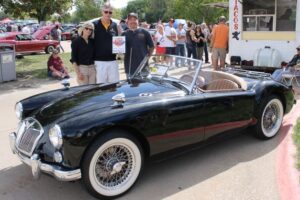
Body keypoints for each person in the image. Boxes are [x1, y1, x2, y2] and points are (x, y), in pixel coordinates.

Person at [93, 3, 122, 84]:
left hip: (113, 60)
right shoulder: (95, 24)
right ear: (102, 12)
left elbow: (119, 41)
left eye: (110, 12)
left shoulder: (115, 25)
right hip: (99, 61)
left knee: (114, 85)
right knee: (101, 87)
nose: (108, 14)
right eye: (106, 12)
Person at [122, 12, 154, 78]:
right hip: (130, 68)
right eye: (130, 19)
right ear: (127, 21)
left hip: (143, 68)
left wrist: (147, 57)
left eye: (135, 19)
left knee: (145, 87)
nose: (133, 21)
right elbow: (120, 50)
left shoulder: (145, 32)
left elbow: (152, 46)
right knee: (131, 87)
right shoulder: (123, 34)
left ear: (138, 21)